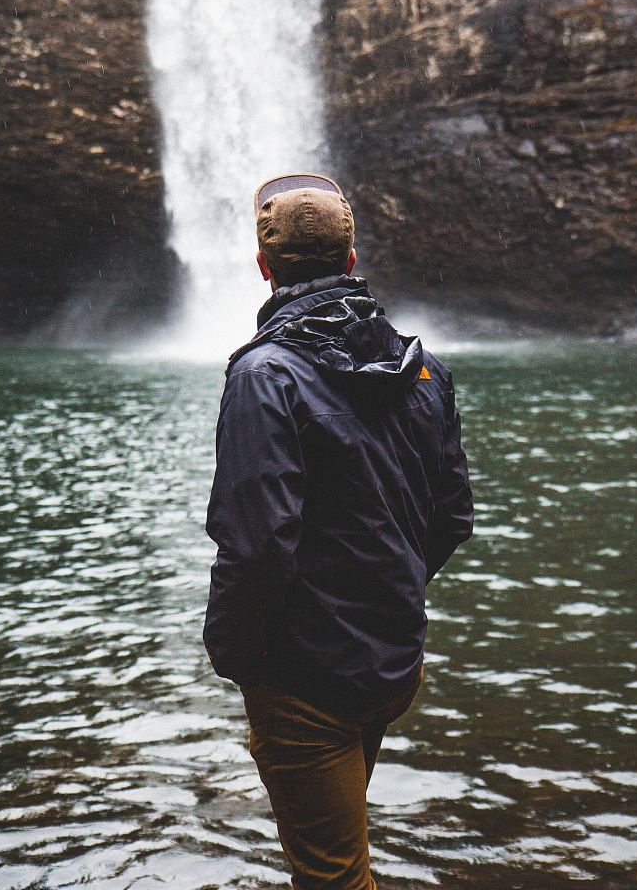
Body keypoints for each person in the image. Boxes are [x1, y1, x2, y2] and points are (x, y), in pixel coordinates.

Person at [203, 173, 474, 890]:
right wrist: (387, 596)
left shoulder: (265, 375)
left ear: (264, 267)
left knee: (332, 877)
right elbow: (451, 517)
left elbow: (256, 541)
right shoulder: (426, 371)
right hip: (391, 659)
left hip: (307, 678)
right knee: (343, 852)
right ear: (353, 259)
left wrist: (238, 656)